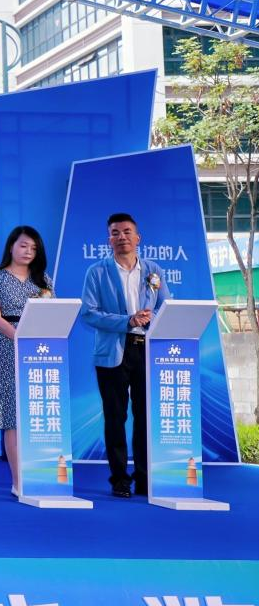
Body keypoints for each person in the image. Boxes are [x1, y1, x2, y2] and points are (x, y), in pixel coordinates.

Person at [79, 212, 168, 498]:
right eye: (115, 233)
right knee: (115, 417)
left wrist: (150, 318)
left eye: (127, 232)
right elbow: (88, 313)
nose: (122, 237)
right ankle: (119, 479)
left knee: (145, 416)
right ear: (109, 240)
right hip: (112, 351)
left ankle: (144, 478)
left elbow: (165, 306)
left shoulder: (153, 270)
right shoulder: (97, 272)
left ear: (138, 237)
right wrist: (127, 321)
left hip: (146, 350)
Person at [0, 225, 53, 497]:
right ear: (11, 246)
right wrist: (21, 339)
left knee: (38, 413)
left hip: (41, 350)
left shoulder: (43, 280)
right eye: (23, 245)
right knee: (14, 417)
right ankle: (19, 481)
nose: (28, 251)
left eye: (34, 248)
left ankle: (42, 477)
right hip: (8, 346)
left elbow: (53, 313)